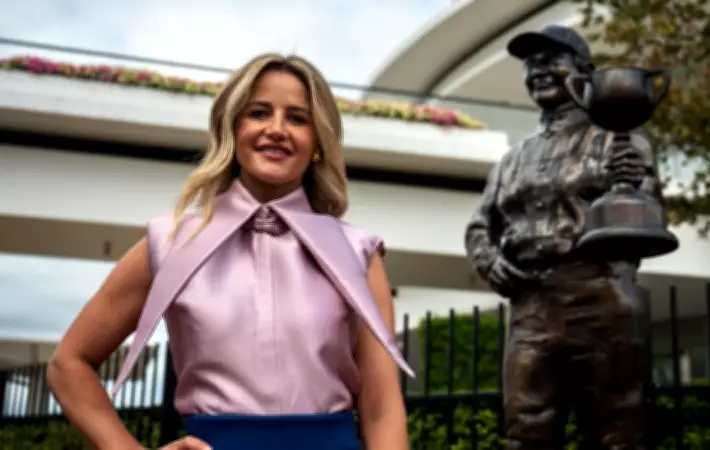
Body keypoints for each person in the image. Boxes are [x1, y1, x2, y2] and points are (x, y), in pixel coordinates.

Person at [46, 53, 414, 450]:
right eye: (259, 112)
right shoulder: (169, 241)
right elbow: (69, 364)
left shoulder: (359, 252)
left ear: (318, 142)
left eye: (297, 118)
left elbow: (381, 408)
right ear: (232, 127)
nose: (277, 129)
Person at [464, 25, 659, 449]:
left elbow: (648, 214)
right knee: (525, 431)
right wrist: (491, 262)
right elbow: (480, 225)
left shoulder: (618, 138)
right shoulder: (512, 159)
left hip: (599, 295)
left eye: (552, 60)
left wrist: (631, 188)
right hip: (530, 304)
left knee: (617, 431)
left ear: (583, 72)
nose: (538, 71)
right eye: (531, 65)